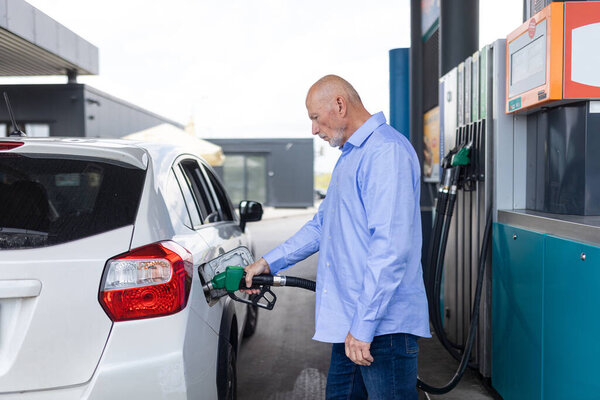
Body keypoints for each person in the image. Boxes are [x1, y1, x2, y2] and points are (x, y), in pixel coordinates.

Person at [243, 75, 430, 400]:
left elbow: (390, 250)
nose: (314, 129)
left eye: (315, 118)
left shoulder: (386, 153)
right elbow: (321, 225)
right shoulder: (352, 156)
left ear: (340, 105)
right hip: (354, 322)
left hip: (379, 329)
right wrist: (268, 262)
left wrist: (363, 327)